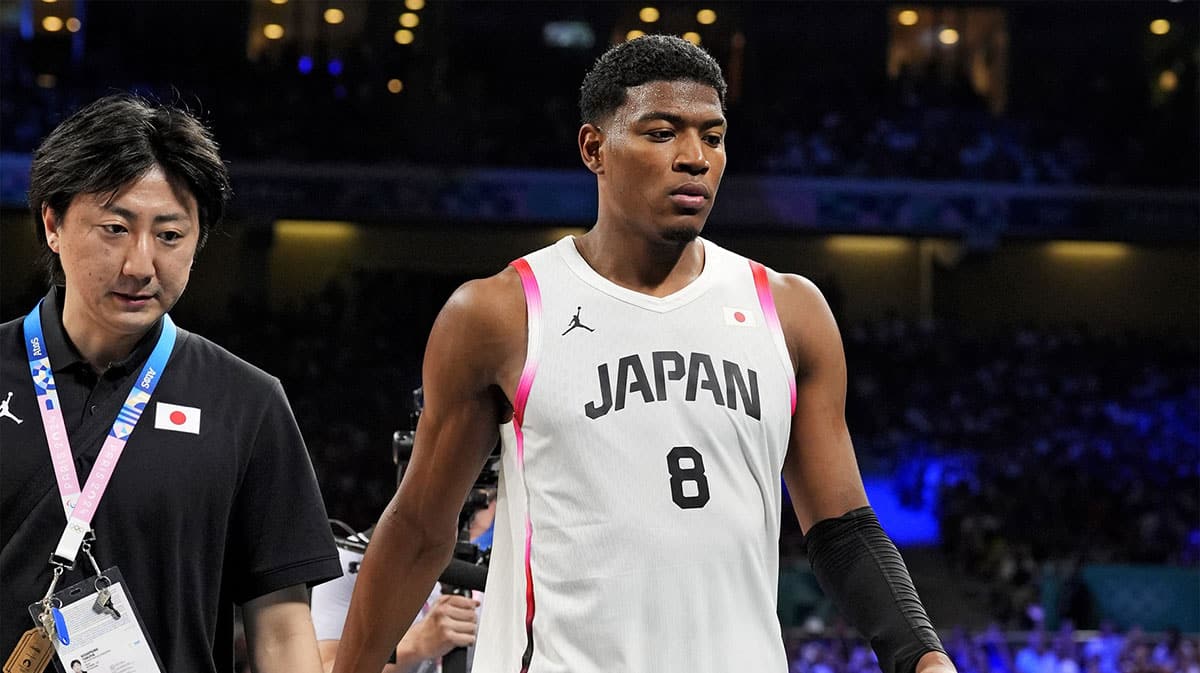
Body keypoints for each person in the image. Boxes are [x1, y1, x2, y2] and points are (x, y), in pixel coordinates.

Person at [333, 35, 956, 673]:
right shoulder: (502, 313)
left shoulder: (790, 310)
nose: (694, 159)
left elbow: (843, 527)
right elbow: (418, 530)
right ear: (594, 149)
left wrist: (922, 656)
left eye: (712, 137)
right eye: (662, 133)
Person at [0, 94, 342, 671]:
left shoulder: (248, 403)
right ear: (53, 223)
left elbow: (283, 633)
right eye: (115, 227)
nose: (140, 264)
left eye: (169, 235)